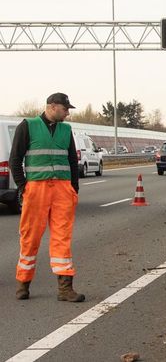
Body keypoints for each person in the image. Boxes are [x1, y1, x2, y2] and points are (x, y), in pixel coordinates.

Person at [9, 93, 85, 302]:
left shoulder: (66, 130)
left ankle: (65, 289)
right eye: (65, 108)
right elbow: (15, 159)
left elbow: (71, 160)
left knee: (62, 238)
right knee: (30, 237)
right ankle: (23, 284)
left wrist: (73, 188)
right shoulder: (28, 126)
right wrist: (24, 187)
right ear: (52, 107)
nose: (68, 112)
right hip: (36, 189)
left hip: (62, 190)